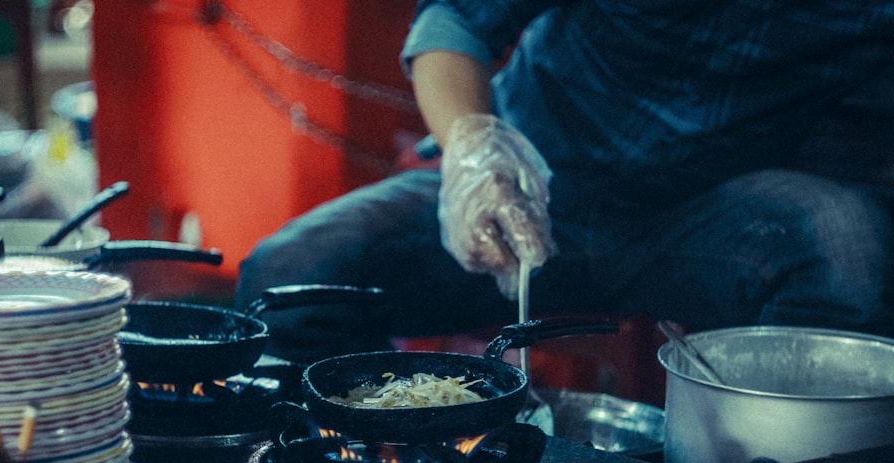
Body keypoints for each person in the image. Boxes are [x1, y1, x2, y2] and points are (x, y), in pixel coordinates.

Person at [235, 0, 894, 365]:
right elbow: (452, 22)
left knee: (847, 246)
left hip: (702, 218)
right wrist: (472, 152)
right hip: (520, 187)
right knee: (287, 277)